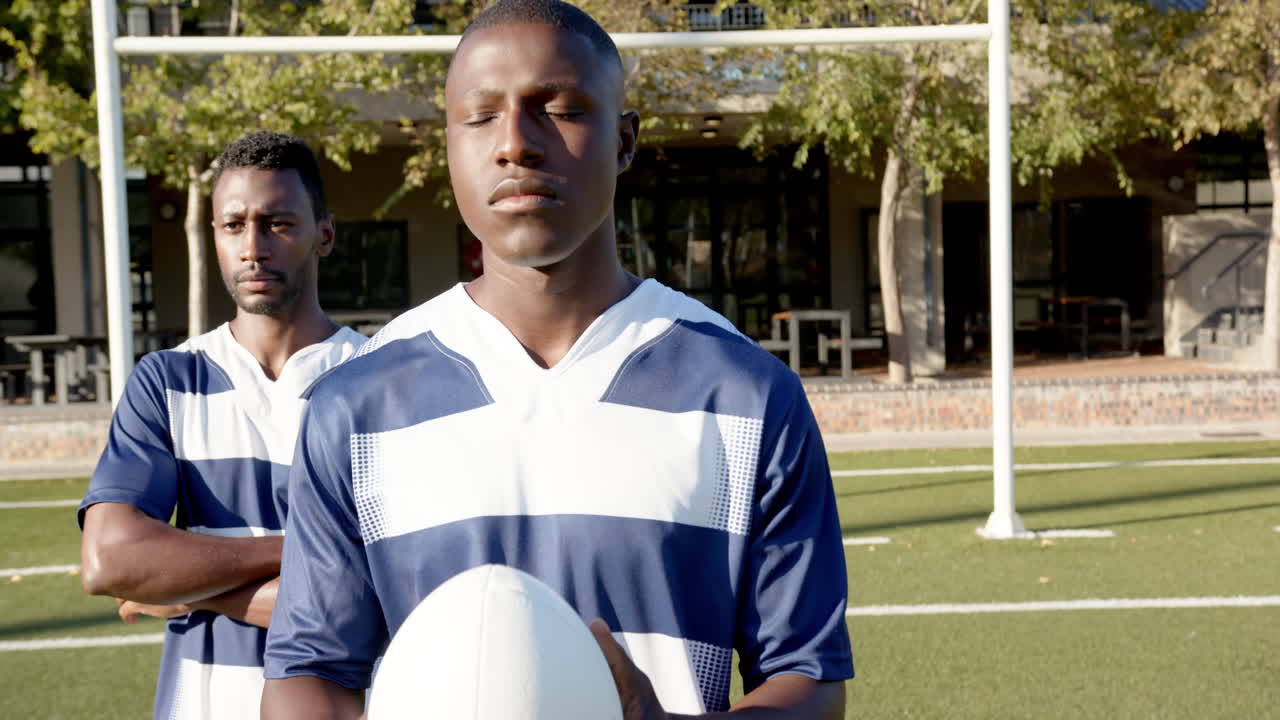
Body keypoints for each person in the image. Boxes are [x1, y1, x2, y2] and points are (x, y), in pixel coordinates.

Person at [261, 1, 853, 718]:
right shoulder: (354, 405)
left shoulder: (747, 394)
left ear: (625, 141)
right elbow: (307, 674)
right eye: (480, 117)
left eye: (562, 109)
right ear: (448, 144)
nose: (515, 143)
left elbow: (809, 680)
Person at [78, 131, 367, 720]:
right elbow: (110, 560)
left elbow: (366, 598)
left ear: (325, 235)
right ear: (214, 236)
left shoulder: (380, 379)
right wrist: (307, 552)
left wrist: (185, 585)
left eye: (278, 224)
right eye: (233, 226)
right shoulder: (166, 380)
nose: (253, 247)